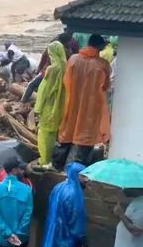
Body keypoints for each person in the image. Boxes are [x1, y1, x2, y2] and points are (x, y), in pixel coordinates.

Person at [57, 34, 111, 168]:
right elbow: (105, 86)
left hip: (72, 102)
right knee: (86, 138)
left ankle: (58, 164)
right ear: (100, 46)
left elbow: (66, 80)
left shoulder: (73, 59)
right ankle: (81, 169)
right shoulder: (102, 65)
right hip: (90, 106)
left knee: (67, 134)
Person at [42, 163, 91, 247]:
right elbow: (77, 223)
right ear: (76, 175)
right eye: (84, 176)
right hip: (68, 240)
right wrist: (85, 245)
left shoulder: (59, 187)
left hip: (53, 234)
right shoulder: (75, 195)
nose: (87, 179)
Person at [0, 157, 33, 247]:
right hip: (20, 239)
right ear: (14, 170)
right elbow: (27, 215)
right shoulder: (27, 190)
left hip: (1, 238)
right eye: (19, 168)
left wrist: (7, 233)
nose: (21, 171)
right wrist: (18, 234)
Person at [34, 41, 68, 168]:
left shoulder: (52, 69)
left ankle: (45, 161)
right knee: (53, 135)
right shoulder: (66, 68)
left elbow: (43, 90)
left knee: (44, 135)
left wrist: (38, 108)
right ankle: (51, 159)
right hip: (60, 106)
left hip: (49, 107)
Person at [22, 33, 79, 102]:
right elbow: (75, 59)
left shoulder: (53, 44)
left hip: (48, 71)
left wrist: (39, 68)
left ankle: (23, 102)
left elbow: (44, 57)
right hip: (63, 73)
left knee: (32, 85)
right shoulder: (73, 45)